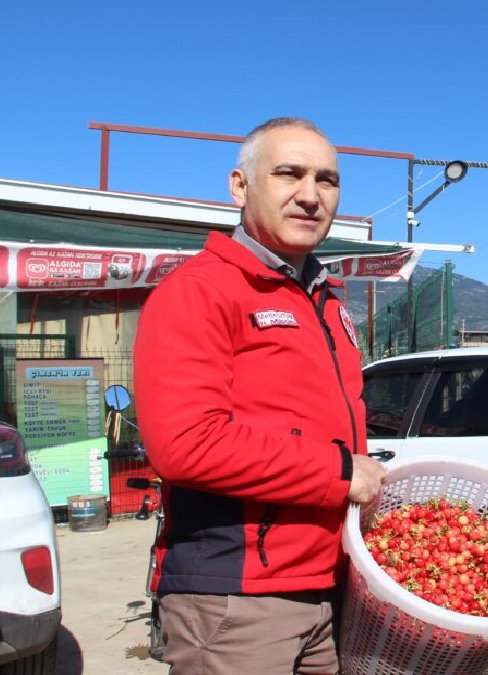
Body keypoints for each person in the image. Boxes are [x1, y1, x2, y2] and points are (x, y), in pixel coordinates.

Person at [133, 117, 386, 674]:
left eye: (326, 180)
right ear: (241, 186)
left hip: (328, 586)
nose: (310, 195)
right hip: (236, 597)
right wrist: (341, 474)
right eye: (288, 174)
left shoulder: (326, 300)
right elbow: (185, 444)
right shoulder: (200, 292)